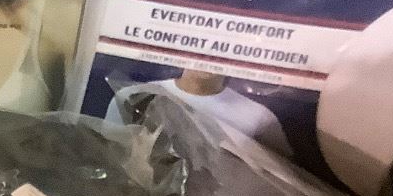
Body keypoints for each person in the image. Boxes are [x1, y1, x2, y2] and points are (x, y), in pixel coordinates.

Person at [106, 68, 294, 156]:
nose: (209, 55)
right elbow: (108, 158)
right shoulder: (135, 97)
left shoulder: (259, 118)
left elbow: (280, 185)